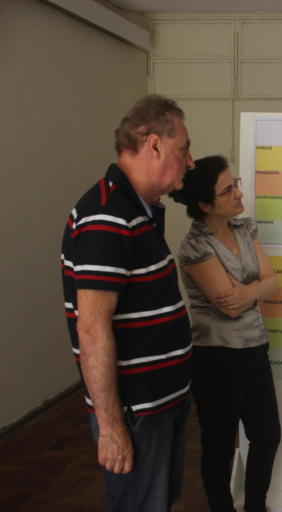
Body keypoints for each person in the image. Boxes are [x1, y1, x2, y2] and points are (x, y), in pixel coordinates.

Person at [60, 94, 195, 511]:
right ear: (153, 145)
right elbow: (91, 328)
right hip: (137, 413)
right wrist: (112, 427)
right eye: (184, 149)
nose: (190, 162)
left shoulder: (138, 211)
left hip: (160, 405)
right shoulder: (108, 216)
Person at [172, 155, 280, 512]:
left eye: (236, 185)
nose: (238, 193)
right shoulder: (195, 246)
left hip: (255, 347)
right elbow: (228, 307)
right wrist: (256, 290)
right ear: (205, 205)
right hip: (216, 356)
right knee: (219, 444)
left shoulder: (245, 229)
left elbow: (271, 282)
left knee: (267, 435)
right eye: (227, 190)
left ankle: (256, 506)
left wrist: (248, 291)